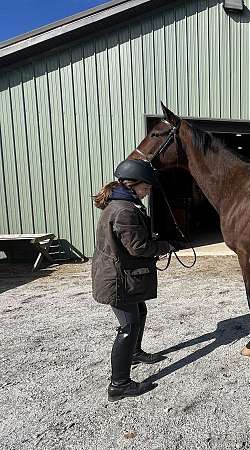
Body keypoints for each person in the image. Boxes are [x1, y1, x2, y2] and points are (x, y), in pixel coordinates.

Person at [92, 159, 175, 402]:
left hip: (121, 275)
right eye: (145, 187)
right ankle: (119, 384)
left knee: (140, 312)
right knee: (128, 327)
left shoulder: (124, 205)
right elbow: (138, 247)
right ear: (132, 184)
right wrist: (166, 246)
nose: (148, 192)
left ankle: (135, 353)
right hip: (118, 279)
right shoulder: (124, 210)